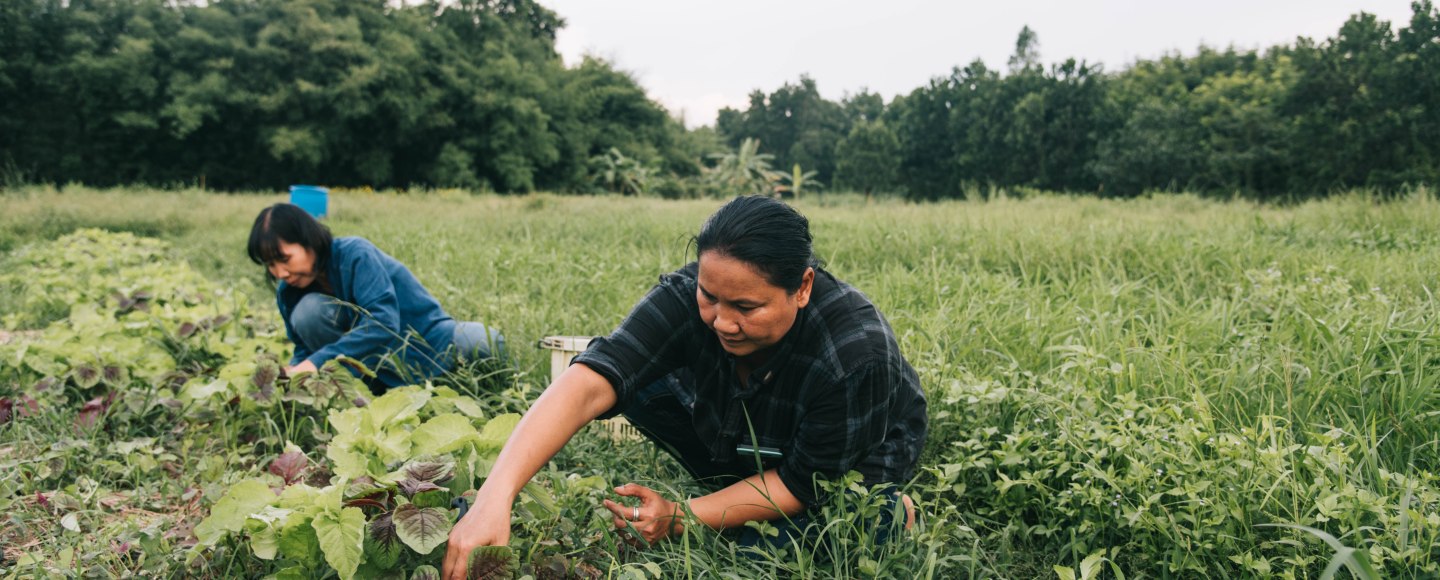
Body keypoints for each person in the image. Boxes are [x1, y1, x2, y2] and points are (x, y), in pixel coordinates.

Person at [443, 196, 927, 577]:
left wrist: (679, 516)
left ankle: (893, 512)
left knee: (767, 553)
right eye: (709, 295)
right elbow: (593, 377)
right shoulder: (688, 294)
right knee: (631, 379)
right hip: (745, 424)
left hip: (839, 456)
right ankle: (733, 483)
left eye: (746, 307)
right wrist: (495, 497)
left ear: (801, 287)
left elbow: (801, 482)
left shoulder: (855, 355)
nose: (723, 321)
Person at [246, 203, 504, 392]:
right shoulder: (288, 291)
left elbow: (383, 322)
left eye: (285, 259)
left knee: (483, 341)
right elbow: (304, 347)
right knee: (308, 312)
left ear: (309, 241)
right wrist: (294, 375)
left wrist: (316, 363)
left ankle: (455, 384)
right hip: (369, 368)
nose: (280, 273)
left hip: (424, 343)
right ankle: (367, 391)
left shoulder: (355, 254)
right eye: (270, 265)